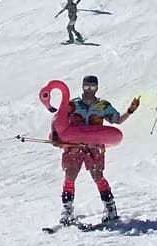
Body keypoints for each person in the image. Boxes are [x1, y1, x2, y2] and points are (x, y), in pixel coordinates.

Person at [56, 75, 140, 226]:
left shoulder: (102, 106)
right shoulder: (73, 104)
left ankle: (110, 208)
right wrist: (57, 137)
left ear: (97, 88)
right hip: (74, 146)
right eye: (86, 87)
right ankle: (67, 210)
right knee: (70, 174)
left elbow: (117, 120)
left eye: (92, 87)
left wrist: (130, 111)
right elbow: (58, 120)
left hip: (94, 147)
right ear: (82, 87)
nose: (89, 90)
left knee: (97, 175)